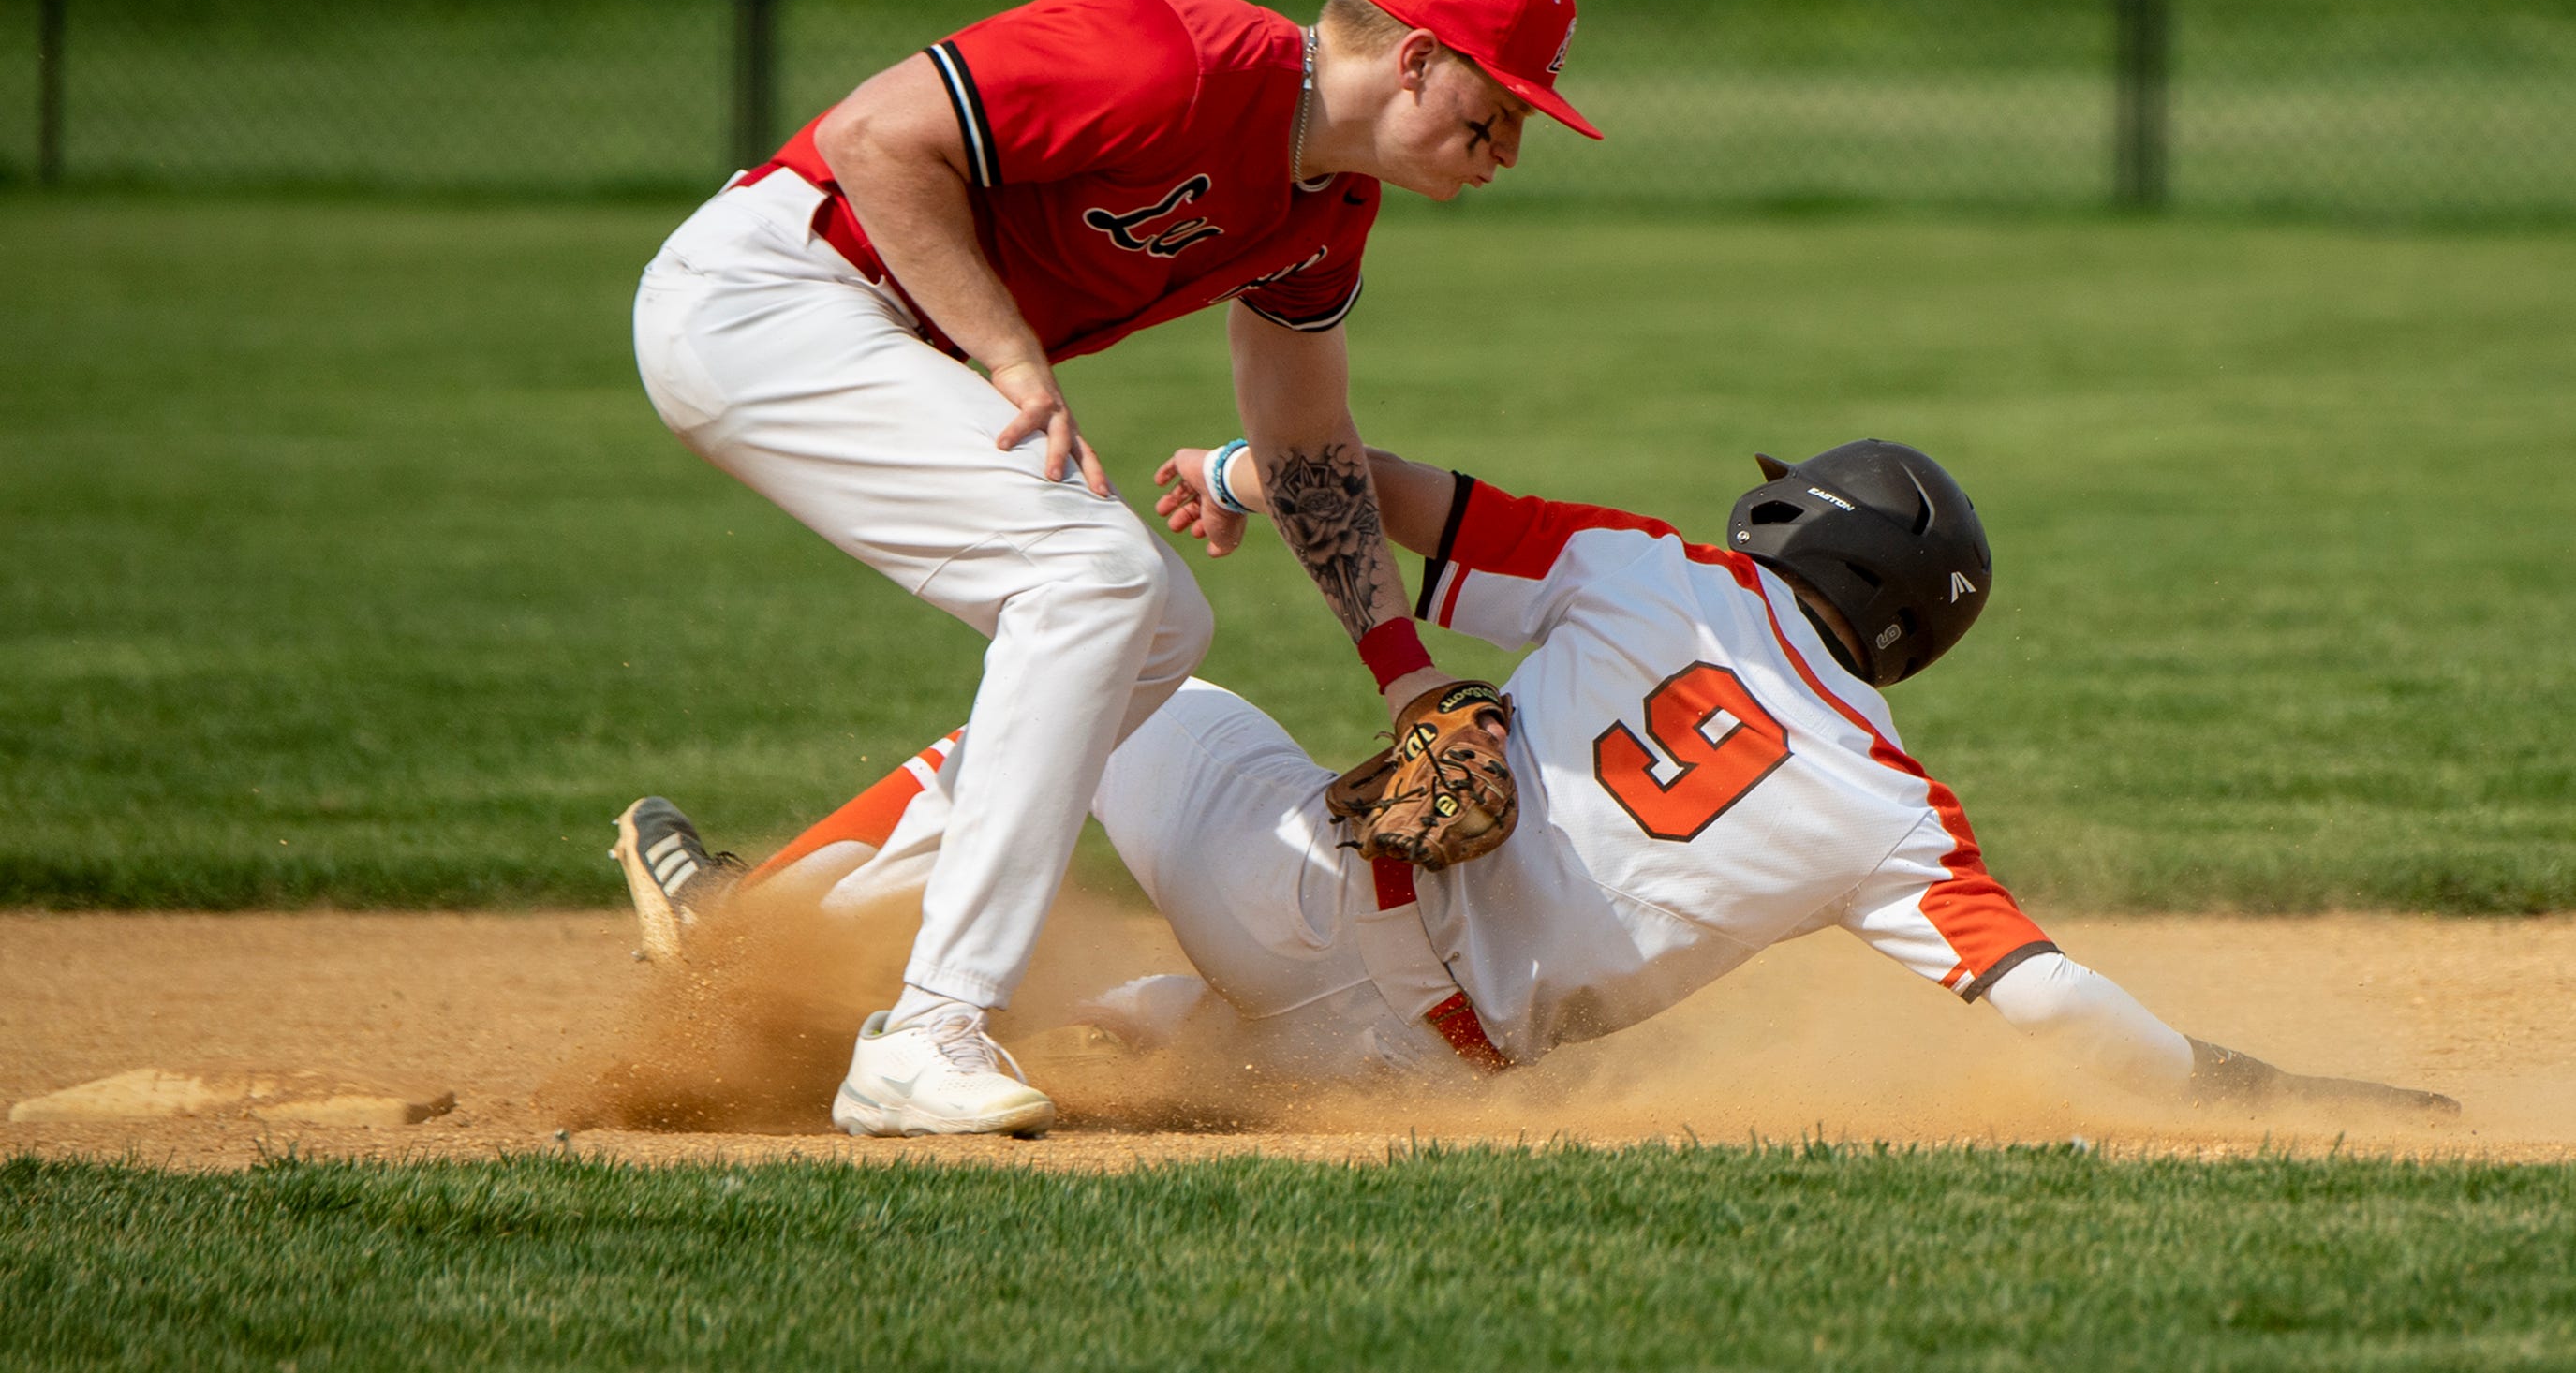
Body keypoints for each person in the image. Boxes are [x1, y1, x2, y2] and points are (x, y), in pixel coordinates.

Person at [623, 439, 2457, 1128]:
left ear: (1798, 526)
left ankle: (761, 926)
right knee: (1174, 1024)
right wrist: (2255, 1087)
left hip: (1314, 903)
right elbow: (2052, 1001)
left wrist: (1235, 470)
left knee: (1093, 666)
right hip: (1413, 1064)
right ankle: (964, 1041)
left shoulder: (1665, 568)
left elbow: (1380, 492)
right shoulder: (1900, 808)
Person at [621, 0, 1603, 1137]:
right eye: (1498, 105)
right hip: (764, 296)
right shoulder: (1174, 56)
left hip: (854, 328)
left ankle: (780, 927)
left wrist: (1401, 673)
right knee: (1088, 576)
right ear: (1413, 59)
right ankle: (929, 1033)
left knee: (1155, 621)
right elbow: (872, 139)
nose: (1508, 144)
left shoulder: (1327, 207)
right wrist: (1006, 355)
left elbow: (1304, 439)